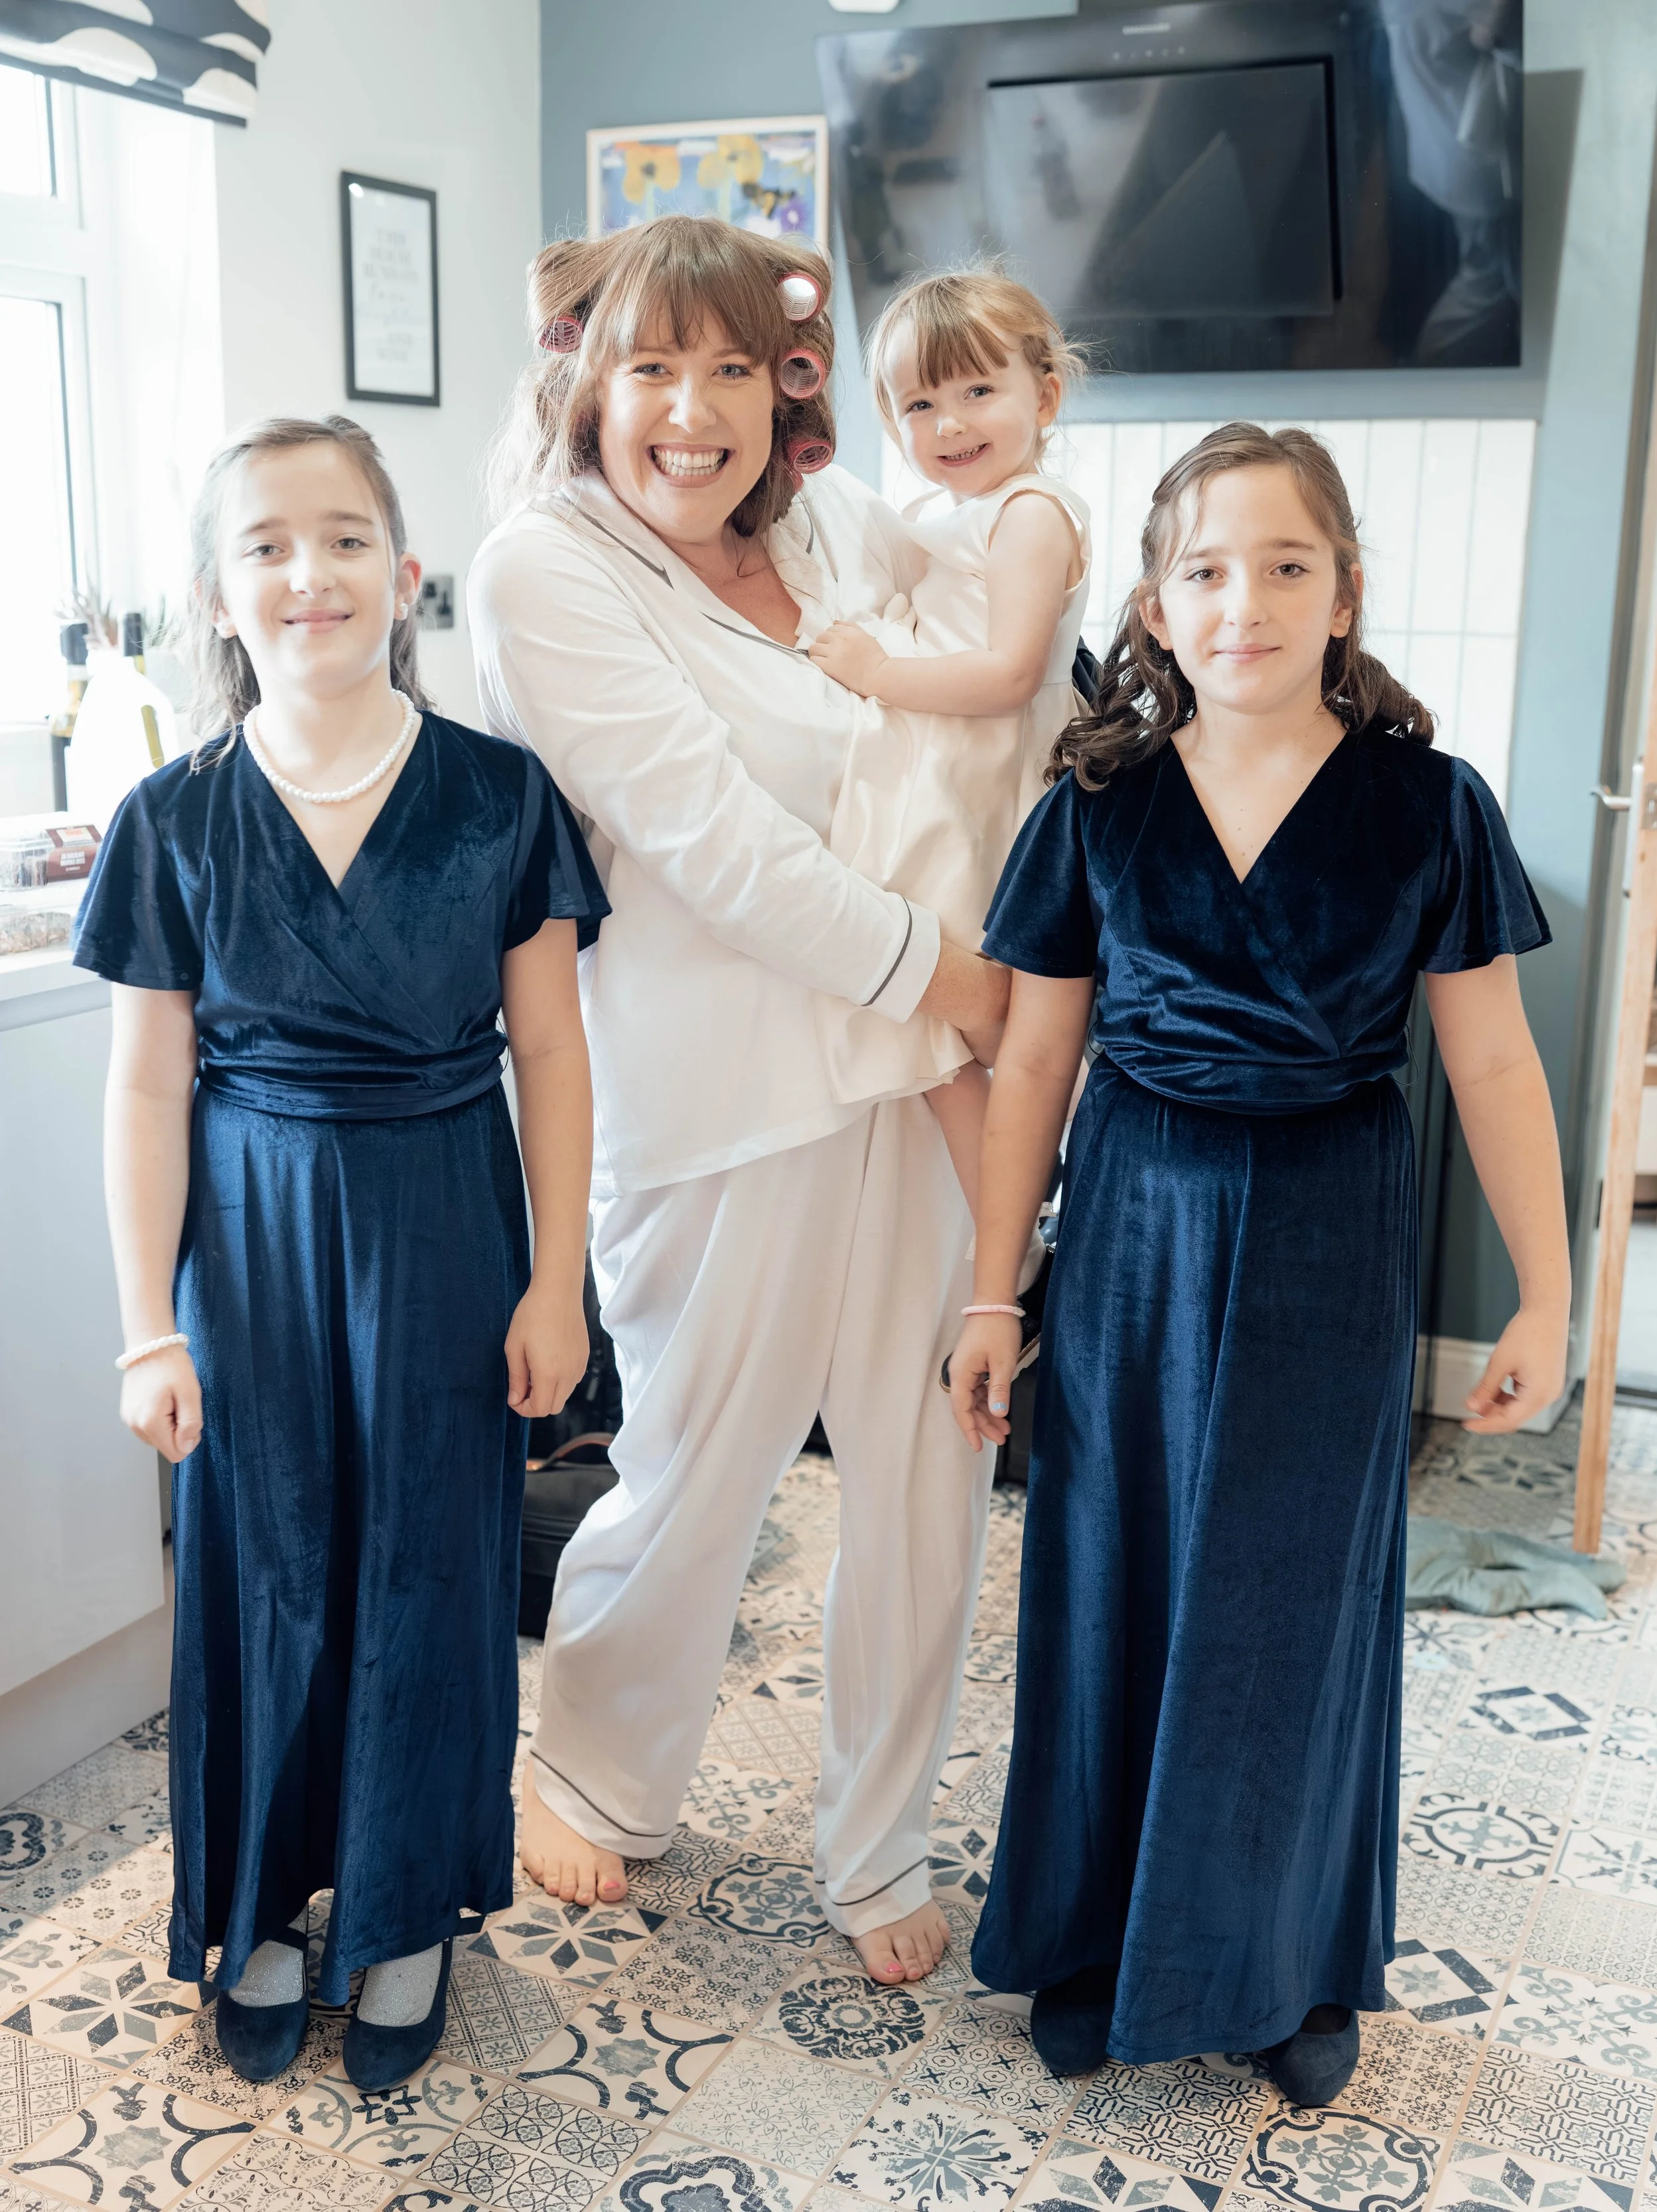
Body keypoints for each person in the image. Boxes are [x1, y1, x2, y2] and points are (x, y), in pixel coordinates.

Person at [946, 422, 1568, 2097]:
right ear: (1154, 605)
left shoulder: (1429, 807)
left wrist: (1551, 1288)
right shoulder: (1098, 804)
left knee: (1294, 1593)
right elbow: (1029, 1067)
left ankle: (1283, 1959)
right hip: (1134, 1224)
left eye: (1286, 566)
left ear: (1344, 592)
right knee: (1112, 1571)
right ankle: (1091, 1931)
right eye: (1206, 570)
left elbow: (1495, 1065)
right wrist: (994, 1289)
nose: (1245, 602)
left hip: (1326, 1227)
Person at [470, 216, 1008, 1986]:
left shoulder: (834, 523)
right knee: (697, 1472)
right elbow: (708, 843)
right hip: (725, 1091)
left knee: (932, 1468)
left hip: (911, 1086)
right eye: (647, 365)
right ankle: (598, 1770)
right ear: (583, 383)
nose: (689, 412)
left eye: (729, 366)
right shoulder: (546, 567)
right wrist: (964, 983)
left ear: (783, 391)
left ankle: (879, 1836)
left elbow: (997, 658)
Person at [75, 416, 607, 2089]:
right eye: (266, 547)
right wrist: (145, 1325)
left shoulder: (499, 797)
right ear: (220, 596)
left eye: (343, 539)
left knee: (430, 1578)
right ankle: (266, 1907)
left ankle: (402, 1913)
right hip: (246, 1245)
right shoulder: (169, 818)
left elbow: (557, 1057)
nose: (308, 573)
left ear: (406, 573)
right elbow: (148, 1082)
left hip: (447, 1223)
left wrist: (554, 1280)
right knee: (267, 1577)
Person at [808, 269, 1091, 1224]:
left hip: (985, 773)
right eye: (920, 403)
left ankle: (1041, 1219)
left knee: (979, 1023)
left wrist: (876, 671)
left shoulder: (1032, 514)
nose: (950, 423)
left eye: (978, 391)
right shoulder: (940, 516)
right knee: (938, 1040)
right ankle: (1019, 1231)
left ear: (1043, 395)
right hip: (946, 769)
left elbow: (1011, 673)